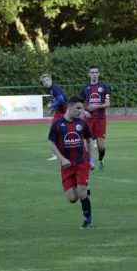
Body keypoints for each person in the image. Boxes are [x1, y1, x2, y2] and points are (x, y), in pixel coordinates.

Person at [48, 96, 96, 228]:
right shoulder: (57, 124)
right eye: (78, 108)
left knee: (81, 193)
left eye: (82, 108)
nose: (81, 111)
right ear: (70, 107)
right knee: (72, 198)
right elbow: (51, 143)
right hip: (67, 166)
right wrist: (62, 159)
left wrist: (91, 159)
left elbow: (89, 140)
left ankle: (87, 221)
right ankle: (85, 191)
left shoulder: (81, 123)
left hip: (82, 162)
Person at [80, 65, 111, 171]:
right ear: (89, 74)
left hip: (100, 119)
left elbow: (108, 103)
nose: (94, 74)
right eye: (92, 72)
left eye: (96, 72)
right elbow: (79, 104)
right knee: (87, 142)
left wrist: (96, 106)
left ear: (98, 74)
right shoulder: (85, 88)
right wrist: (84, 111)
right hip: (88, 119)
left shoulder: (104, 87)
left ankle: (101, 160)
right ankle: (89, 162)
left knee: (100, 146)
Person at [40, 72, 68, 161]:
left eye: (47, 80)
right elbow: (57, 100)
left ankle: (64, 152)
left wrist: (52, 105)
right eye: (44, 81)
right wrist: (54, 107)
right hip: (59, 111)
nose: (46, 82)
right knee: (55, 130)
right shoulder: (50, 89)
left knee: (62, 131)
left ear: (51, 80)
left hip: (65, 111)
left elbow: (61, 99)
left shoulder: (55, 88)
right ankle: (58, 153)